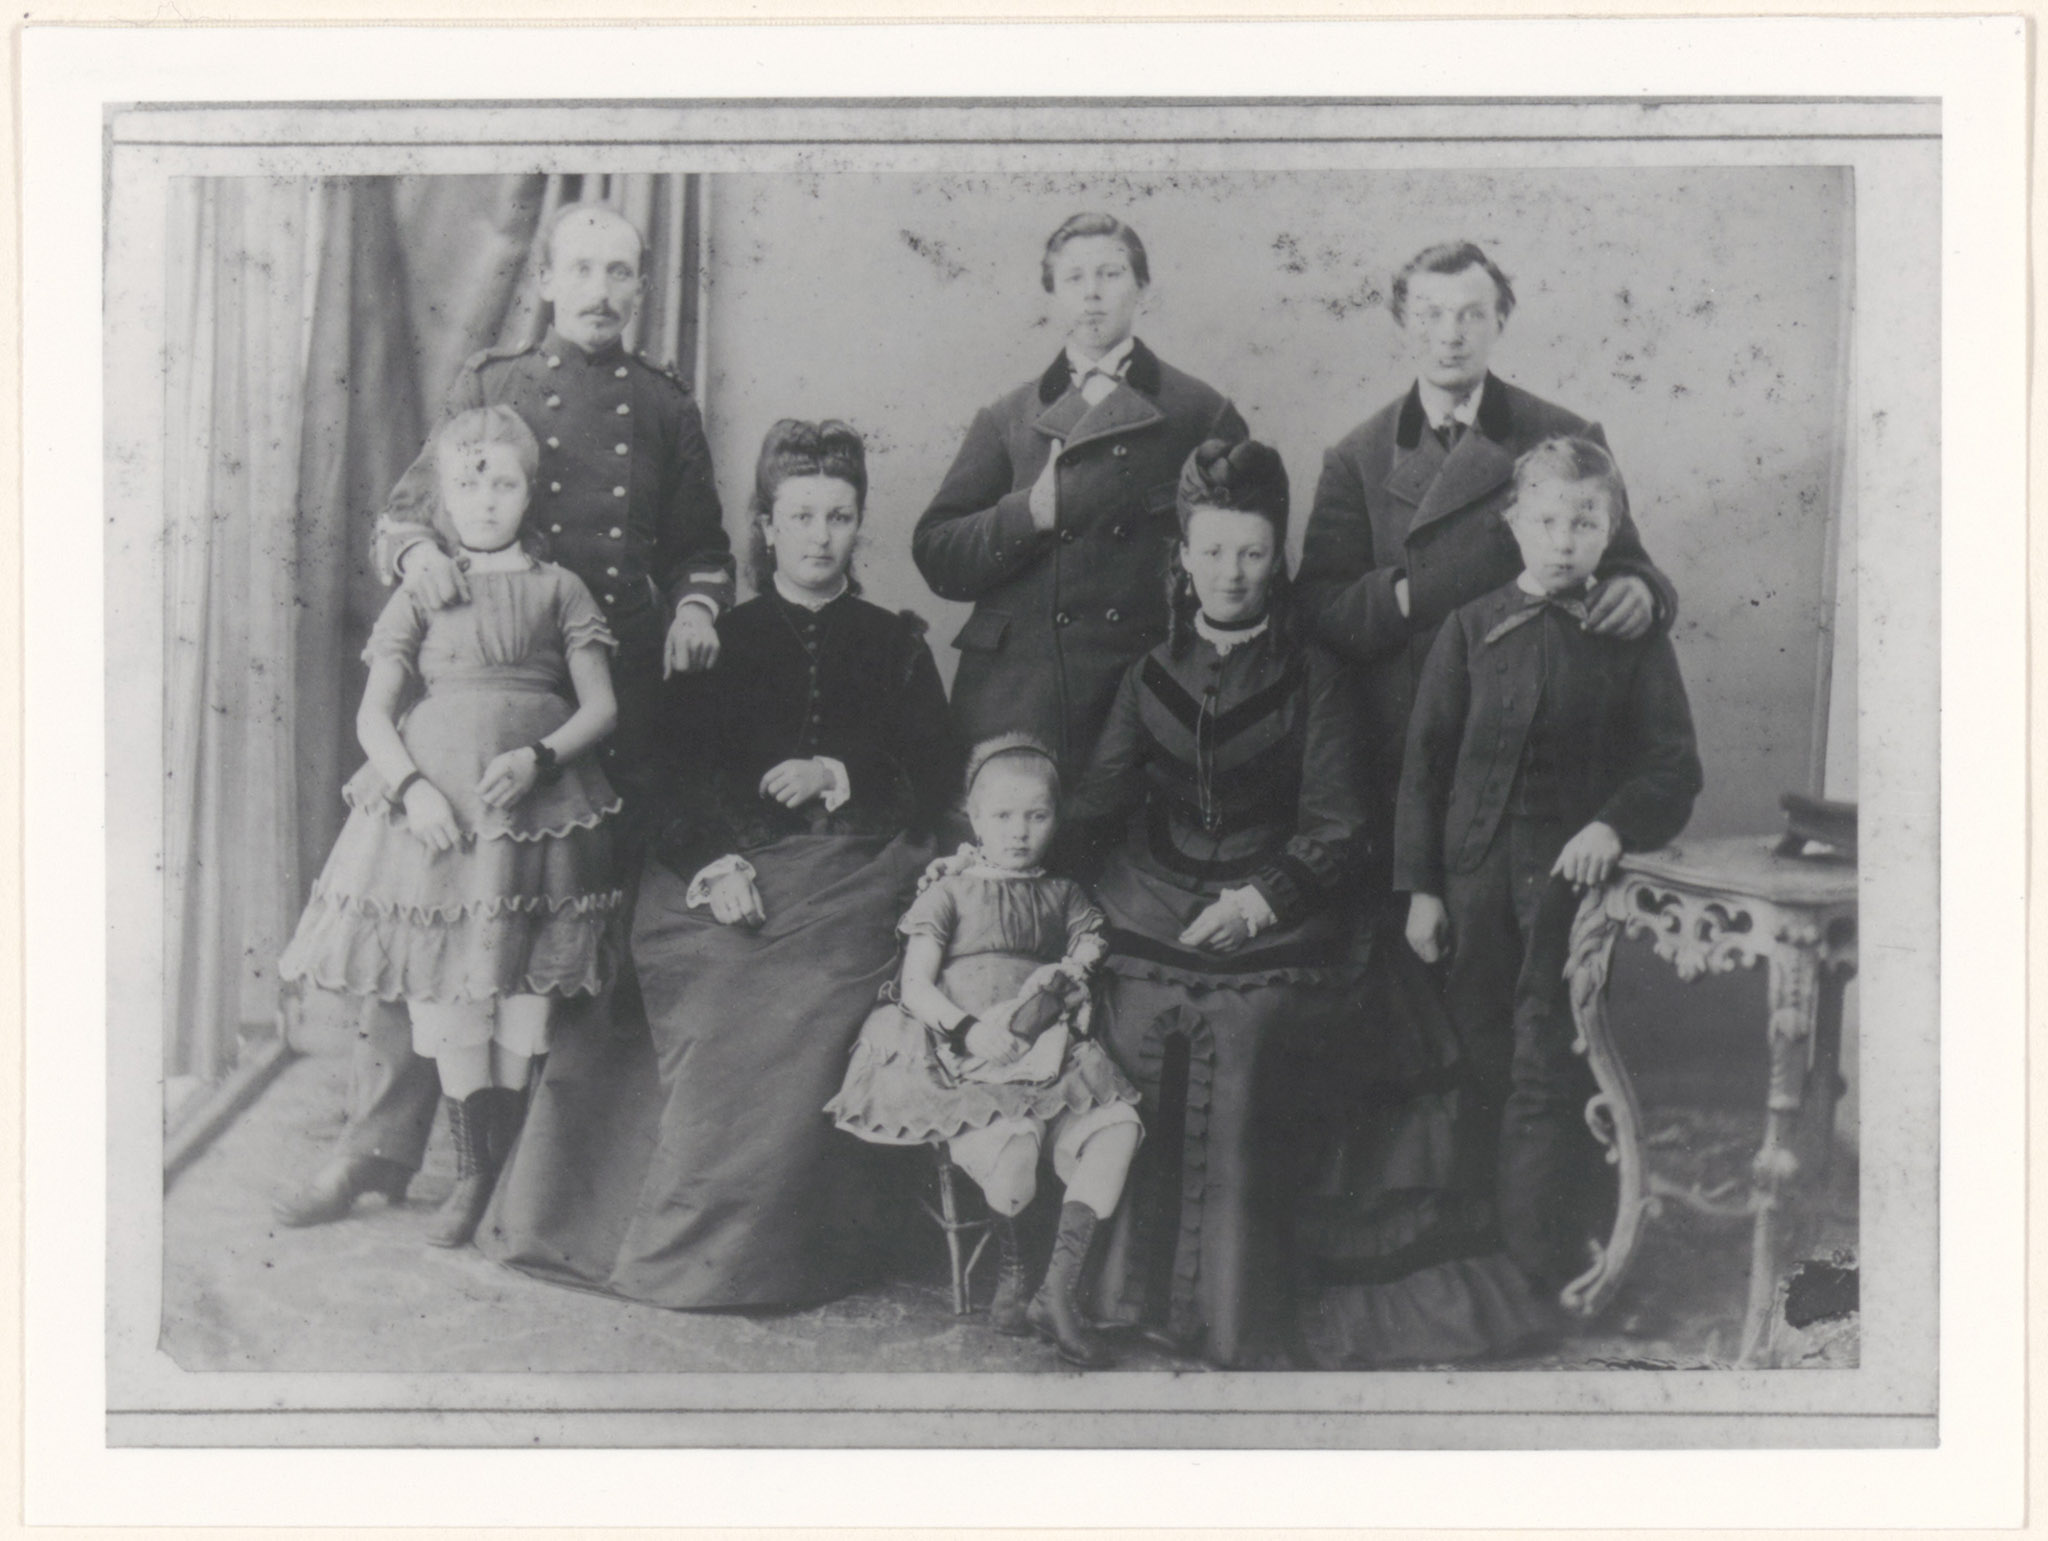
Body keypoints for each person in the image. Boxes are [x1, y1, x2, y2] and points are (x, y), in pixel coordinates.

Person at [274, 201, 735, 1229]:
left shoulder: (665, 406)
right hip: (476, 697)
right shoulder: (493, 384)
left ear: (640, 286)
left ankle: (522, 1168)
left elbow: (701, 548)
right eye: (583, 270)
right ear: (548, 281)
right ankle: (375, 1148)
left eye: (620, 273)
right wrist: (417, 555)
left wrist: (698, 604)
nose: (601, 292)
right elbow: (406, 512)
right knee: (429, 919)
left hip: (602, 704)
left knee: (561, 941)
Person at [1285, 239, 1680, 1367]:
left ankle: (1534, 1250)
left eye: (1470, 313)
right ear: (1401, 323)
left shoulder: (1562, 434)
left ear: (1498, 319)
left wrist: (1639, 596)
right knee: (1428, 1031)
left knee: (1538, 1046)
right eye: (1429, 313)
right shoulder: (1361, 453)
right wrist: (1421, 589)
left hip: (1551, 777)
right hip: (1419, 775)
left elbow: (1631, 564)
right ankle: (1434, 1243)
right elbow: (1323, 609)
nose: (1449, 333)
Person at [479, 420, 962, 1309]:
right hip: (726, 867)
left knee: (809, 987)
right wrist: (716, 862)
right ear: (766, 526)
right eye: (800, 516)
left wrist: (837, 772)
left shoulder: (895, 644)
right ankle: (651, 1235)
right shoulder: (714, 641)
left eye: (839, 516)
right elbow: (663, 775)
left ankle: (751, 1257)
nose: (820, 536)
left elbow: (935, 770)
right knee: (708, 980)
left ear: (859, 524)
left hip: (858, 870)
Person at [277, 406, 622, 1249]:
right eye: (469, 483)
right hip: (444, 816)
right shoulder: (423, 590)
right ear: (442, 496)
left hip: (533, 812)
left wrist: (540, 757)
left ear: (530, 491)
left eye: (504, 483)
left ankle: (495, 1174)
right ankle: (471, 1170)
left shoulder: (560, 588)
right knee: (449, 988)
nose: (487, 499)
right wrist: (414, 791)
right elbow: (373, 715)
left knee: (520, 991)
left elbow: (601, 706)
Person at [1062, 439, 1366, 1368]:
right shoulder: (1149, 672)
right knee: (1129, 1011)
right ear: (1184, 557)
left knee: (1248, 1025)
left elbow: (1338, 826)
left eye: (1252, 551)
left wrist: (1258, 904)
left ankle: (1226, 1309)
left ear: (1278, 558)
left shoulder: (1317, 675)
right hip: (1154, 888)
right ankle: (1107, 1293)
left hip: (1282, 898)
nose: (1232, 572)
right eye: (1214, 550)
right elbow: (1099, 800)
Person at [1395, 437, 1703, 1291]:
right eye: (1546, 520)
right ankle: (1472, 1237)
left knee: (1545, 1057)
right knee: (1473, 1051)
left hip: (1572, 892)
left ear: (1612, 529)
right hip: (1474, 884)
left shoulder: (1631, 638)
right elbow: (1424, 766)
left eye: (1585, 522)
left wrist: (1611, 824)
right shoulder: (1469, 628)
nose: (1563, 540)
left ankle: (1533, 1263)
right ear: (1513, 523)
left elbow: (1673, 766)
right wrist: (1421, 890)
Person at [827, 736, 1144, 1366]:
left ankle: (1057, 1294)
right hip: (968, 1054)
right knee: (1016, 1147)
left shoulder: (1063, 894)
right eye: (1002, 816)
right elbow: (915, 986)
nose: (1019, 832)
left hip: (1046, 1046)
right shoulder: (948, 892)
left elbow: (1089, 945)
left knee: (1118, 1128)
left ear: (1056, 819)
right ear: (974, 819)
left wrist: (1070, 969)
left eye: (1037, 816)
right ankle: (1016, 1272)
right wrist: (968, 1029)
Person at [914, 212, 1249, 781]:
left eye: (1111, 274)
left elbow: (1252, 556)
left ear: (1143, 288)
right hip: (1024, 698)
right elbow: (937, 554)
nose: (1092, 293)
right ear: (1051, 295)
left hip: (1149, 688)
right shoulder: (1007, 417)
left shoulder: (1199, 412)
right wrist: (1028, 514)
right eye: (1073, 278)